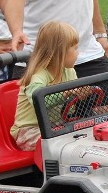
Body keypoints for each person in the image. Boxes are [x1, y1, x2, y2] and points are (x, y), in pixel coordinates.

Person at [10, 21, 79, 151]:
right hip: (29, 131)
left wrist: (81, 95)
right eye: (75, 48)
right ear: (60, 52)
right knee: (61, 144)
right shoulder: (38, 76)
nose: (78, 53)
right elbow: (39, 101)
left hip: (56, 127)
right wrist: (67, 93)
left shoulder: (69, 71)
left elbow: (70, 108)